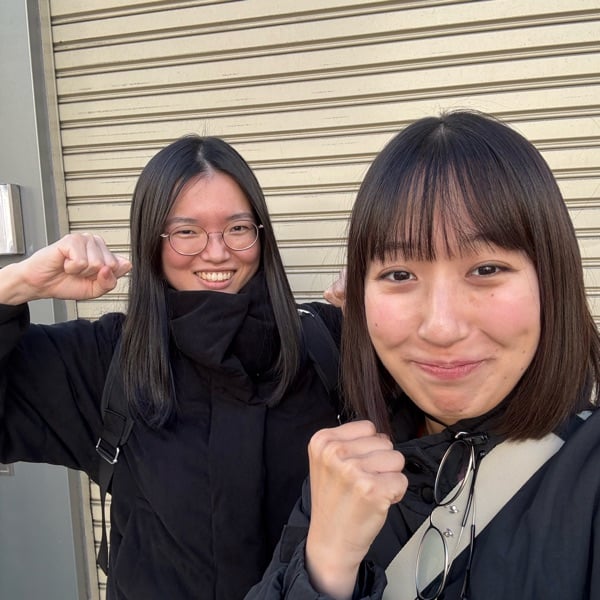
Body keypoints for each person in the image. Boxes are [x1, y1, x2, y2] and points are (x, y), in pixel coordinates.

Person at [246, 110, 600, 600]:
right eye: (399, 275)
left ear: (551, 279)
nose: (441, 327)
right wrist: (325, 565)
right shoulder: (347, 470)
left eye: (486, 269)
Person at [0, 135, 343, 600]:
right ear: (153, 242)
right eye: (186, 232)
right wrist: (15, 284)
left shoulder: (323, 343)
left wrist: (382, 304)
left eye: (238, 228)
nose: (217, 252)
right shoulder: (107, 359)